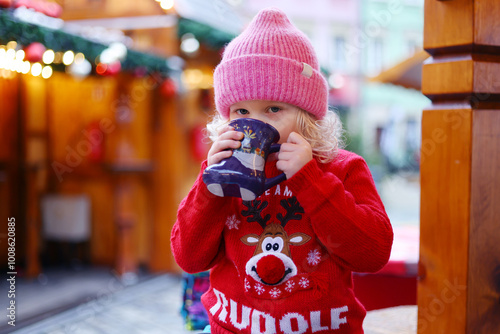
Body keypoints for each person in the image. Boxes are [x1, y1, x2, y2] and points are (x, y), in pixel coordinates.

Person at [171, 7, 393, 334]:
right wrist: (210, 185)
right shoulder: (222, 171)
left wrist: (310, 180)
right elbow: (189, 258)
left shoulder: (341, 168)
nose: (255, 122)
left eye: (273, 109)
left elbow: (372, 254)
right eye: (242, 111)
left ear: (306, 115)